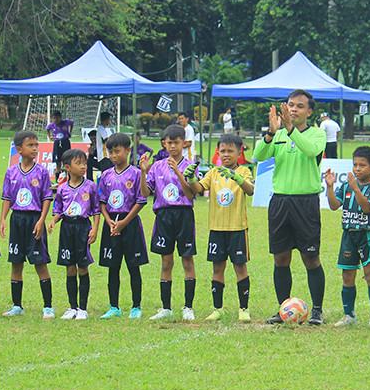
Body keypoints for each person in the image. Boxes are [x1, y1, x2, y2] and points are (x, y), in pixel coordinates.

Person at [252, 89, 327, 325]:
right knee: (280, 258)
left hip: (306, 203)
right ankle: (284, 308)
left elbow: (311, 150)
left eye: (300, 106)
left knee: (310, 258)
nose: (294, 109)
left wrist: (290, 130)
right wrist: (270, 134)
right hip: (280, 202)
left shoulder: (317, 134)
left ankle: (317, 311)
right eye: (291, 105)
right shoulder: (279, 134)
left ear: (309, 111)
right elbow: (258, 156)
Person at [191, 134, 255, 322]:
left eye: (230, 151)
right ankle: (217, 309)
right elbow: (198, 189)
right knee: (217, 268)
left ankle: (244, 309)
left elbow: (250, 190)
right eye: (222, 151)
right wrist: (189, 178)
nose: (226, 154)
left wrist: (237, 178)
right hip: (217, 229)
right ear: (218, 152)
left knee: (240, 267)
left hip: (237, 228)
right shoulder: (214, 172)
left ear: (238, 152)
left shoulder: (243, 171)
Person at [142, 124, 197, 320]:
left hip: (184, 215)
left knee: (187, 259)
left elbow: (191, 193)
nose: (173, 147)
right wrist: (142, 172)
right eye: (169, 143)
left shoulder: (190, 166)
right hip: (164, 216)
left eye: (177, 143)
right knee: (166, 262)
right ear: (164, 144)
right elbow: (145, 193)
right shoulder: (157, 166)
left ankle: (188, 307)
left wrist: (179, 172)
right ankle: (166, 308)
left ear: (184, 143)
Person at [0, 130, 55, 318]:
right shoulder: (11, 172)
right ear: (19, 149)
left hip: (34, 220)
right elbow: (7, 197)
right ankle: (17, 306)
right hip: (17, 220)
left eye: (36, 145)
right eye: (30, 145)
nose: (35, 148)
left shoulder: (42, 171)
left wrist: (41, 220)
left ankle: (48, 306)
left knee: (40, 263)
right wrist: (3, 219)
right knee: (16, 263)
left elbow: (47, 198)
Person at [324, 146, 370, 326]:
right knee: (347, 275)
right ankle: (349, 315)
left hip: (367, 235)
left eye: (362, 165)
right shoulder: (345, 186)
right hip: (349, 235)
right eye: (355, 164)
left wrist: (357, 189)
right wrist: (330, 187)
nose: (357, 169)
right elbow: (334, 205)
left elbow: (367, 208)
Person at [97, 132, 149, 319]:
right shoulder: (105, 175)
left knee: (133, 266)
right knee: (113, 267)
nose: (113, 156)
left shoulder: (136, 174)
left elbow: (141, 200)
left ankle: (136, 306)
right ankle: (114, 307)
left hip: (130, 223)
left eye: (117, 151)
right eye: (110, 152)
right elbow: (101, 201)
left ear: (128, 151)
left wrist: (124, 222)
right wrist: (108, 220)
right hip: (111, 224)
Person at [47, 149, 100, 320]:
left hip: (83, 227)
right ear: (67, 167)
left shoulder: (90, 186)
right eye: (79, 163)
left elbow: (96, 210)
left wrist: (95, 229)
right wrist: (53, 221)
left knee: (82, 266)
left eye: (84, 163)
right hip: (67, 229)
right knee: (70, 267)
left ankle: (83, 308)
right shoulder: (62, 188)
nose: (83, 166)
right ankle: (72, 307)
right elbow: (59, 210)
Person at [46, 109, 73, 180]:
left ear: (60, 118)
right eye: (54, 118)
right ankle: (58, 180)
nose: (56, 120)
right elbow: (47, 128)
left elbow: (72, 122)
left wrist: (70, 132)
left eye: (57, 118)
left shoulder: (65, 122)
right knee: (58, 162)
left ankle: (69, 179)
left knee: (67, 160)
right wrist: (50, 136)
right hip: (57, 142)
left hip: (65, 141)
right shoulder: (52, 125)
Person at [87, 112, 115, 181]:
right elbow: (106, 140)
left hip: (103, 157)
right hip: (104, 156)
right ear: (107, 119)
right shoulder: (101, 129)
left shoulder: (101, 129)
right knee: (106, 175)